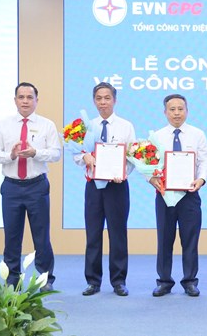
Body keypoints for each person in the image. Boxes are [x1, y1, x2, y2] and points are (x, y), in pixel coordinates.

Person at [0, 82, 61, 291]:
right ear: (15, 100)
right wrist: (10, 156)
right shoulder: (3, 125)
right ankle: (12, 279)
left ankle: (45, 278)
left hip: (36, 186)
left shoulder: (47, 125)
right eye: (21, 97)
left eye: (30, 97)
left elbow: (56, 153)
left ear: (37, 101)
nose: (25, 101)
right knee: (12, 236)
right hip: (11, 187)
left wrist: (35, 153)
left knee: (41, 236)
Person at [75, 82, 135, 297]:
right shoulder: (86, 126)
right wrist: (84, 156)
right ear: (94, 101)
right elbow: (76, 153)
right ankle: (93, 281)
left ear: (114, 100)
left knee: (118, 234)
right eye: (99, 98)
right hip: (93, 186)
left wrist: (122, 172)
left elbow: (133, 156)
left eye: (107, 98)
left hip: (117, 186)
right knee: (93, 234)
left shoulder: (125, 126)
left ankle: (119, 281)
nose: (103, 102)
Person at [149, 94, 207, 298]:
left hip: (189, 195)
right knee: (164, 239)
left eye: (180, 109)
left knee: (190, 240)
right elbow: (148, 163)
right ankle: (164, 281)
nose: (176, 113)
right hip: (164, 194)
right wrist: (151, 179)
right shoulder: (157, 136)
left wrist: (201, 180)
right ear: (165, 112)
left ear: (187, 111)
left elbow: (204, 161)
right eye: (172, 109)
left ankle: (190, 281)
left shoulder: (197, 134)